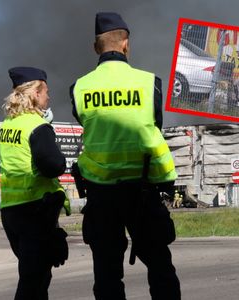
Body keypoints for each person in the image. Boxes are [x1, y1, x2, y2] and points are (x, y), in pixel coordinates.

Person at [69, 12, 181, 300]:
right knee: (160, 267)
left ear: (97, 47)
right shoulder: (149, 83)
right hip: (142, 190)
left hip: (101, 194)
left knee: (106, 273)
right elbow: (154, 126)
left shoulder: (80, 88)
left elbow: (89, 128)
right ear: (126, 44)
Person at [0, 66, 69, 300]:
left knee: (34, 275)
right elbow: (54, 166)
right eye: (46, 92)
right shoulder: (37, 127)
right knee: (33, 280)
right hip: (36, 211)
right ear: (35, 93)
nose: (49, 97)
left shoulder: (4, 128)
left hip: (11, 214)